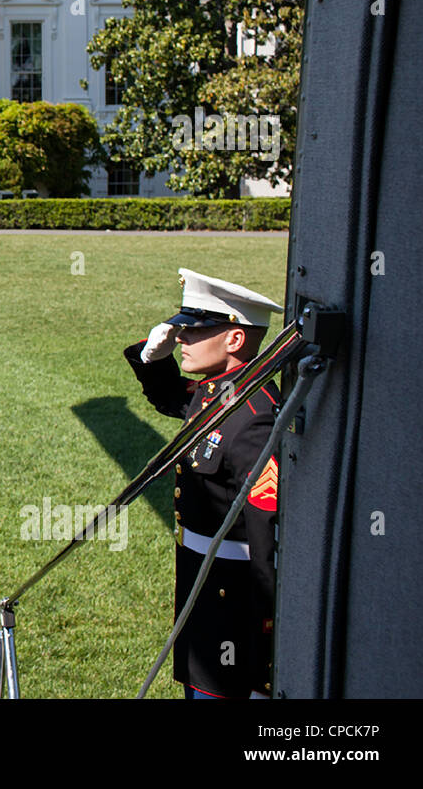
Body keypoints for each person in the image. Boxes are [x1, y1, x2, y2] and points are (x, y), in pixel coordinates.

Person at [124, 268, 284, 699]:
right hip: (202, 580)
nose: (181, 340)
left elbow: (265, 533)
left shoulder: (254, 417)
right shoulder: (218, 394)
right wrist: (151, 360)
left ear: (234, 340)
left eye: (194, 332)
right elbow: (173, 398)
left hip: (233, 599)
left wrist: (266, 651)